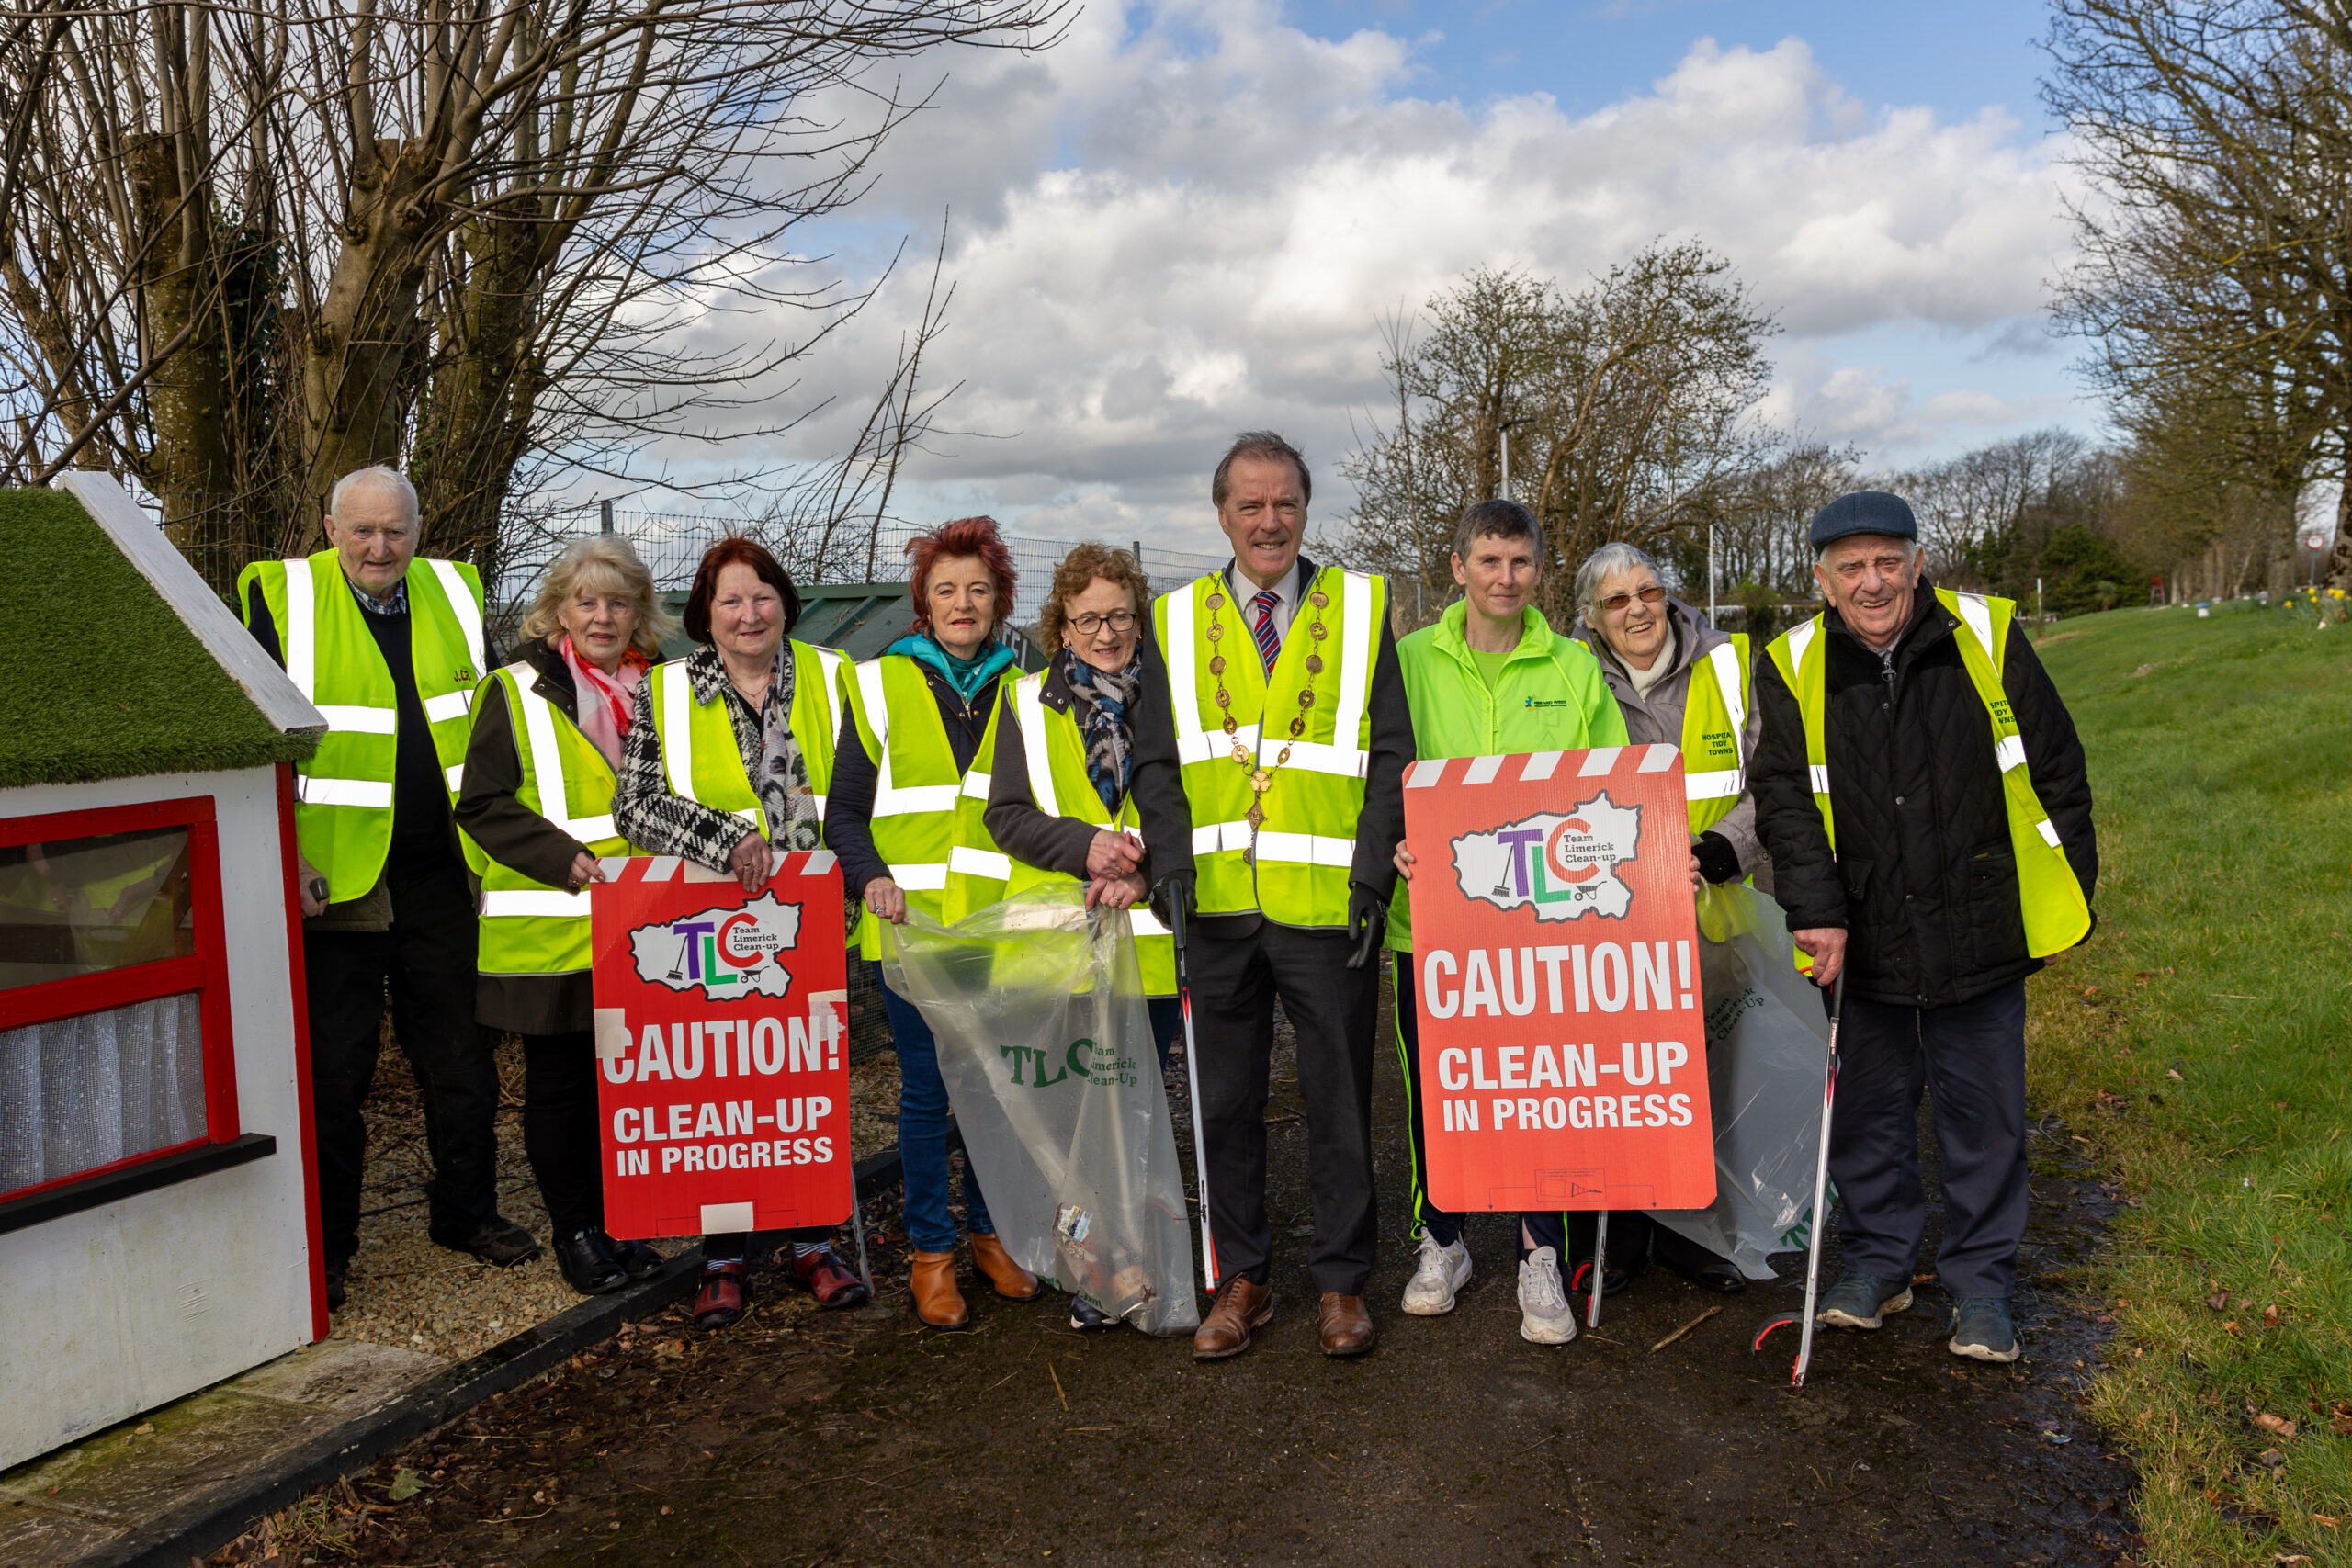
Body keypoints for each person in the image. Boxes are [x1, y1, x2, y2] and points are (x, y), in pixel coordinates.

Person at [1749, 491, 2096, 1364]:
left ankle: (1982, 1285)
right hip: (1861, 933)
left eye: (1887, 562)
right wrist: (1817, 913)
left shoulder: (1984, 634)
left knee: (1984, 1117)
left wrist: (2064, 895)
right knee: (1869, 1113)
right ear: (1822, 580)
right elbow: (1786, 802)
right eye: (1852, 567)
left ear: (1916, 561)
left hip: (1979, 919)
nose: (1873, 583)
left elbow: (2058, 767)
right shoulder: (1791, 662)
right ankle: (1880, 1263)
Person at [1133, 432, 1413, 1360]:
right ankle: (1242, 1279)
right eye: (1250, 505)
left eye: (1285, 502)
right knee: (1222, 1106)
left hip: (1328, 904)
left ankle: (1340, 1284)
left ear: (1306, 509)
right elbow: (1155, 762)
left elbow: (1389, 755)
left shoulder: (1363, 607)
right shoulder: (1173, 621)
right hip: (1213, 908)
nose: (1269, 521)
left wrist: (1372, 871)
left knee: (1337, 1101)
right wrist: (1168, 863)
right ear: (1221, 515)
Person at [237, 465, 537, 1313]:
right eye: (362, 530)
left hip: (443, 869)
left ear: (417, 531)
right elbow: (255, 737)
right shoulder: (280, 597)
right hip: (335, 881)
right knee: (336, 1072)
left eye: (395, 531)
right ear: (331, 529)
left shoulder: (452, 591)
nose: (380, 547)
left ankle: (465, 1213)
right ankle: (328, 1249)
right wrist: (282, 854)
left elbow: (492, 723)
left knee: (461, 1056)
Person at [1384, 502, 1627, 1344]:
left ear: (1539, 571)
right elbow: (1376, 780)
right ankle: (1443, 1239)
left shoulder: (1573, 667)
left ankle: (1539, 1251)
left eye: (1520, 562)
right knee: (1439, 1094)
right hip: (1434, 928)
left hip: (1546, 939)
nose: (1504, 578)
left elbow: (1612, 794)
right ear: (1457, 567)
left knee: (1542, 1092)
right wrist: (1390, 846)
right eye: (1488, 561)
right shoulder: (1408, 661)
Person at [610, 536, 869, 1327]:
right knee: (728, 1092)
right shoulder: (665, 691)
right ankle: (722, 1258)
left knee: (804, 1087)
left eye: (761, 596)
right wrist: (723, 839)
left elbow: (863, 789)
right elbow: (635, 805)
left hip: (817, 924)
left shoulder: (836, 677)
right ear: (705, 616)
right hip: (712, 929)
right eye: (730, 600)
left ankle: (813, 1243)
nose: (749, 613)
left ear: (785, 603)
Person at [957, 543, 1191, 1330]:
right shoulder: (1023, 703)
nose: (1106, 631)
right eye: (1088, 617)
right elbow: (1006, 815)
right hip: (1059, 952)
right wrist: (1086, 846)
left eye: (1120, 614)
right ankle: (1093, 1268)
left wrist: (1147, 865)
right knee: (1069, 1127)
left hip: (1148, 945)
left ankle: (1140, 1255)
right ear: (1060, 627)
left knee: (1134, 1117)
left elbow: (1190, 810)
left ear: (1139, 617)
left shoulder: (1170, 695)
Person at [828, 516, 1043, 1331]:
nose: (963, 603)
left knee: (995, 1086)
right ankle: (931, 1252)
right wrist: (870, 877)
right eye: (947, 589)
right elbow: (844, 813)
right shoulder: (880, 686)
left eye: (978, 590)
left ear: (999, 602)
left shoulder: (1026, 686)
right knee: (927, 1094)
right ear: (923, 600)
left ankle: (993, 1235)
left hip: (998, 925)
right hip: (911, 927)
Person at [455, 536, 672, 1296]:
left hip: (649, 928)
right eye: (588, 601)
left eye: (619, 601)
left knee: (628, 1086)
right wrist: (557, 857)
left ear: (640, 612)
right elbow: (479, 801)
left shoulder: (669, 690)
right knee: (560, 1087)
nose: (603, 616)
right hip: (552, 928)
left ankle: (620, 1222)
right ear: (559, 611)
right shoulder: (513, 690)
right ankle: (575, 1231)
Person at [1566, 541, 1765, 1297]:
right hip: (1609, 922)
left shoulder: (1730, 664)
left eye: (1647, 591)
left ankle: (1696, 1230)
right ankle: (1618, 1233)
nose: (1637, 609)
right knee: (1618, 1076)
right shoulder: (1570, 674)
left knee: (1708, 1077)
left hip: (1717, 911)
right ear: (1592, 617)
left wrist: (1721, 849)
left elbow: (1772, 778)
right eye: (1617, 601)